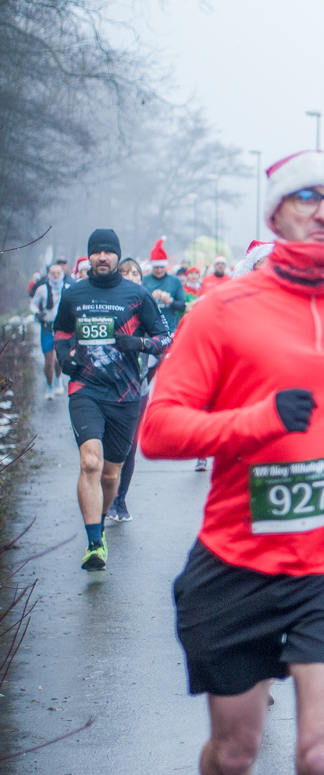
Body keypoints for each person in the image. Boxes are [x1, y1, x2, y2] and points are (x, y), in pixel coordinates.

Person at [140, 150, 324, 775]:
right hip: (239, 560)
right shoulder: (221, 311)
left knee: (321, 754)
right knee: (235, 753)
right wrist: (259, 420)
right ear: (276, 213)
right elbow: (157, 431)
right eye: (307, 197)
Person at [55, 229, 171, 570]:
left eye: (108, 252)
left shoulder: (137, 295)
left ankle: (101, 521)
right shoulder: (74, 294)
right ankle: (94, 543)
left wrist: (140, 344)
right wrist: (64, 358)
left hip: (125, 393)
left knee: (109, 474)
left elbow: (165, 338)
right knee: (90, 462)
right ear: (89, 257)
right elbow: (61, 333)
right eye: (96, 252)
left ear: (118, 256)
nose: (102, 257)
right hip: (85, 389)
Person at [106, 258, 157, 523]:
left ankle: (120, 498)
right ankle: (103, 493)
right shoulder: (105, 303)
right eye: (124, 272)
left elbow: (162, 342)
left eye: (135, 273)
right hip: (104, 386)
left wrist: (139, 345)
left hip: (137, 388)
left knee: (129, 447)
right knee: (106, 447)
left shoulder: (146, 304)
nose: (130, 276)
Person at [30, 262, 67, 399]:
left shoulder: (67, 288)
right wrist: (37, 313)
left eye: (58, 273)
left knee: (58, 359)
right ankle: (49, 385)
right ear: (49, 274)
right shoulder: (42, 289)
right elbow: (33, 304)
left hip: (61, 327)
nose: (56, 276)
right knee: (48, 360)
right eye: (53, 273)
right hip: (47, 326)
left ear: (62, 274)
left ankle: (58, 379)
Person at [141, 238, 186, 334]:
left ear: (165, 266)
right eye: (156, 267)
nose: (159, 270)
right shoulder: (144, 280)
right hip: (149, 330)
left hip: (170, 328)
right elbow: (137, 305)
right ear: (152, 267)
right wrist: (150, 298)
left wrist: (171, 301)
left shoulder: (175, 281)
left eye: (162, 267)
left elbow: (182, 306)